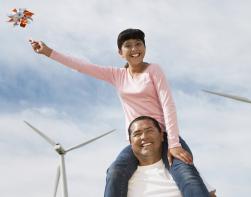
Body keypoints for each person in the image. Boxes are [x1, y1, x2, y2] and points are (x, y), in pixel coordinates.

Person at [29, 28, 211, 197]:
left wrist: (173, 143)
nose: (134, 49)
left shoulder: (154, 70)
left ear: (145, 47)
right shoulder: (117, 75)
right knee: (115, 171)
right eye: (128, 45)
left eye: (139, 44)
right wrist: (49, 52)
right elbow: (81, 66)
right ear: (120, 52)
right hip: (136, 140)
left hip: (163, 134)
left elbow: (168, 105)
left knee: (186, 174)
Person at [127, 115, 216, 197]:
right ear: (130, 142)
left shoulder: (184, 170)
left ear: (162, 136)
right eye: (137, 134)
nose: (144, 137)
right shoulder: (123, 182)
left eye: (149, 131)